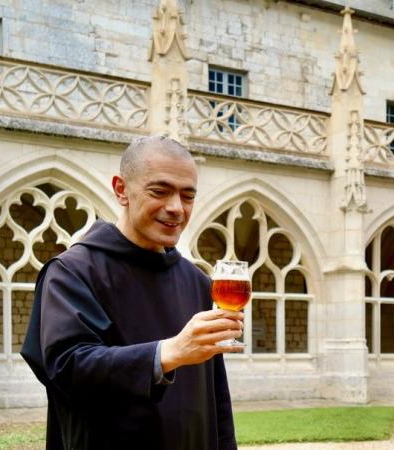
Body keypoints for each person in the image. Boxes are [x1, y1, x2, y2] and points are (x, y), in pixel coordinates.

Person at [21, 135, 243, 450]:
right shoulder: (73, 272)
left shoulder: (197, 281)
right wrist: (167, 353)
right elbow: (67, 366)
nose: (176, 208)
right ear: (121, 190)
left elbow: (215, 391)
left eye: (187, 195)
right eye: (160, 191)